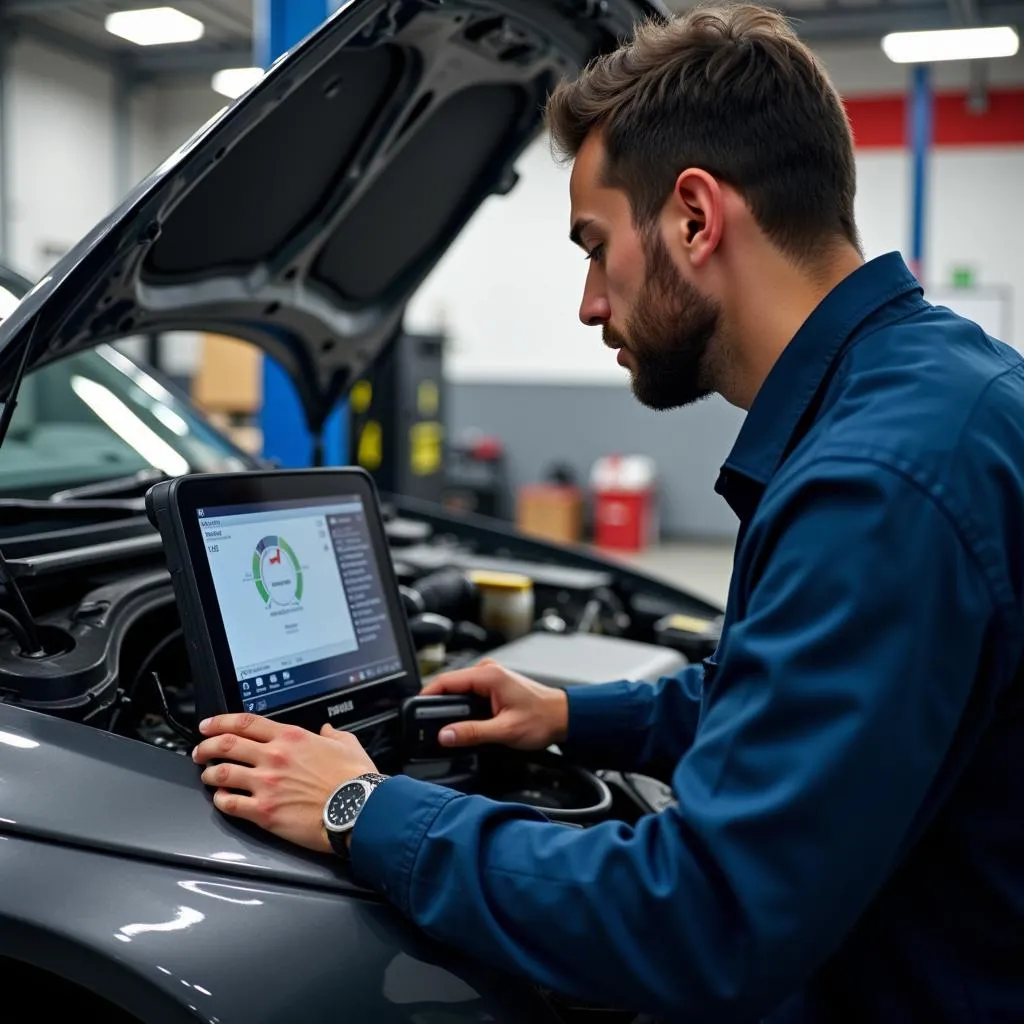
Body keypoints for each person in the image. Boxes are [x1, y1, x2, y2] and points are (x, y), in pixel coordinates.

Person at [191, 5, 1024, 1021]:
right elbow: (796, 704)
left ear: (693, 216)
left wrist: (357, 803)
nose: (589, 303)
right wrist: (576, 715)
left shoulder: (877, 484)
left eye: (594, 246)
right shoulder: (931, 390)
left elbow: (704, 916)